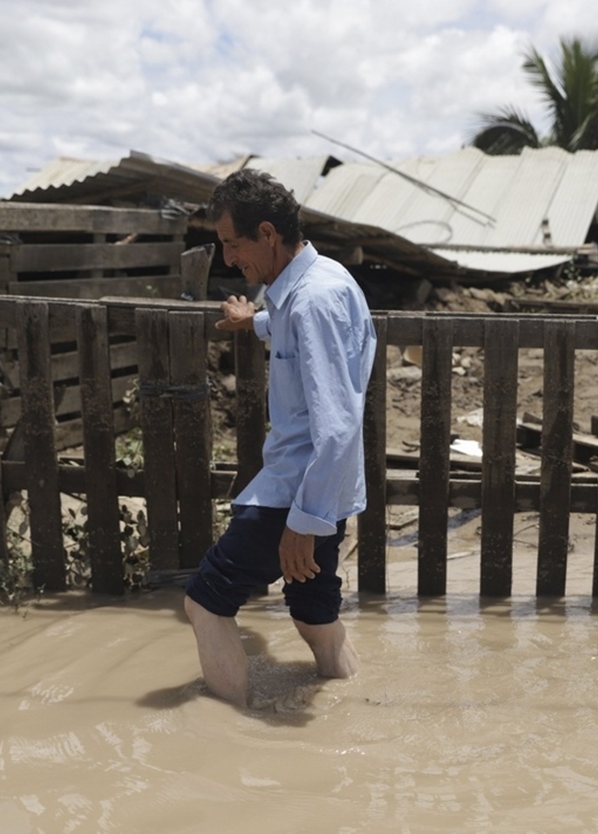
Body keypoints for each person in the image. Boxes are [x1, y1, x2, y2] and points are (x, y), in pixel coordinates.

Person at [183, 169, 376, 707]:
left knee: (205, 603)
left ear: (267, 234)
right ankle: (356, 706)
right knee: (314, 615)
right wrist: (257, 323)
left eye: (232, 244)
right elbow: (301, 329)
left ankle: (228, 734)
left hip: (298, 492)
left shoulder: (313, 301)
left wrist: (302, 525)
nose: (227, 259)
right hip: (327, 489)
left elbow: (337, 426)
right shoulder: (319, 284)